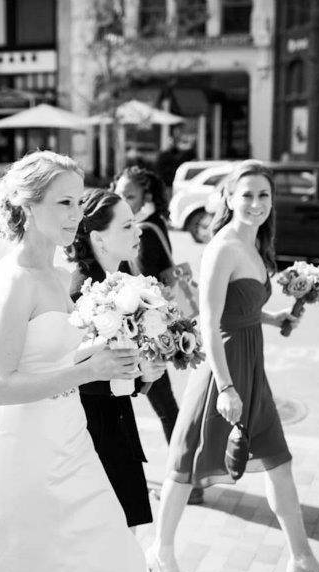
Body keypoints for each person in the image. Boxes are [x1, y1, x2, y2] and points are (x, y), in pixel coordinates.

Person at [0, 151, 171, 572]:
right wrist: (88, 373)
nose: (75, 215)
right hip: (31, 453)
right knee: (31, 571)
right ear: (27, 205)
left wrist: (123, 362)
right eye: (63, 203)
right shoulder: (18, 278)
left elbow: (58, 359)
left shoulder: (59, 274)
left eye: (78, 201)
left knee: (97, 557)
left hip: (71, 439)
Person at [148, 160, 319, 572]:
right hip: (223, 371)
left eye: (263, 195)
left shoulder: (255, 245)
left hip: (252, 365)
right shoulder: (224, 246)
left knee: (279, 460)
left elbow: (241, 307)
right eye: (247, 194)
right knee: (185, 464)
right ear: (228, 198)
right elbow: (208, 320)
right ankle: (161, 552)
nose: (256, 203)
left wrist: (273, 317)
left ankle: (301, 559)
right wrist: (226, 387)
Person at [67, 189, 167, 529]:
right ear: (99, 238)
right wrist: (137, 370)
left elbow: (123, 374)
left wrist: (147, 373)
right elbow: (74, 375)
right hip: (93, 439)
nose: (138, 232)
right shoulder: (80, 292)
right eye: (126, 226)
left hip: (117, 426)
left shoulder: (120, 283)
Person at [112, 166, 200, 503]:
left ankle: (186, 484)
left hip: (149, 335)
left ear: (145, 197)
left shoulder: (143, 231)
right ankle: (187, 481)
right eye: (118, 192)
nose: (122, 200)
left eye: (130, 196)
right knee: (164, 406)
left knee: (165, 408)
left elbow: (148, 285)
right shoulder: (155, 223)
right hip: (154, 331)